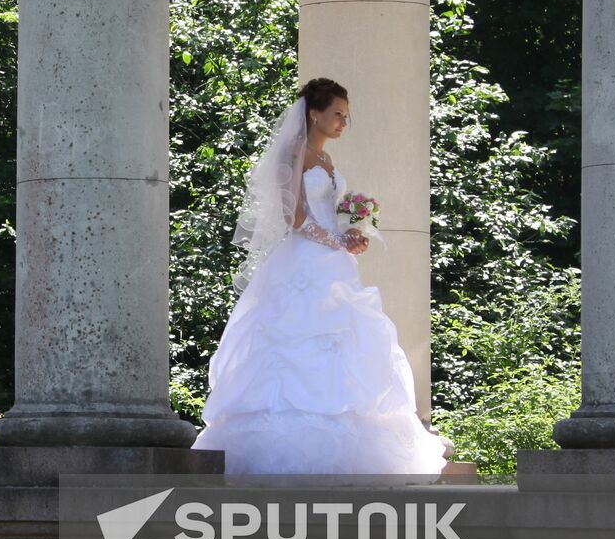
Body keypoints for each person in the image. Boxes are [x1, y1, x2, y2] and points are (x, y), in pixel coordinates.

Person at [190, 77, 451, 479]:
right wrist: (334, 239)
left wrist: (352, 233)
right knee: (290, 343)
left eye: (346, 115)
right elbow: (292, 217)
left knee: (348, 340)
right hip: (303, 261)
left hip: (334, 264)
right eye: (337, 114)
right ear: (314, 113)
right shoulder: (293, 155)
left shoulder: (327, 161)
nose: (344, 122)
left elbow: (331, 211)